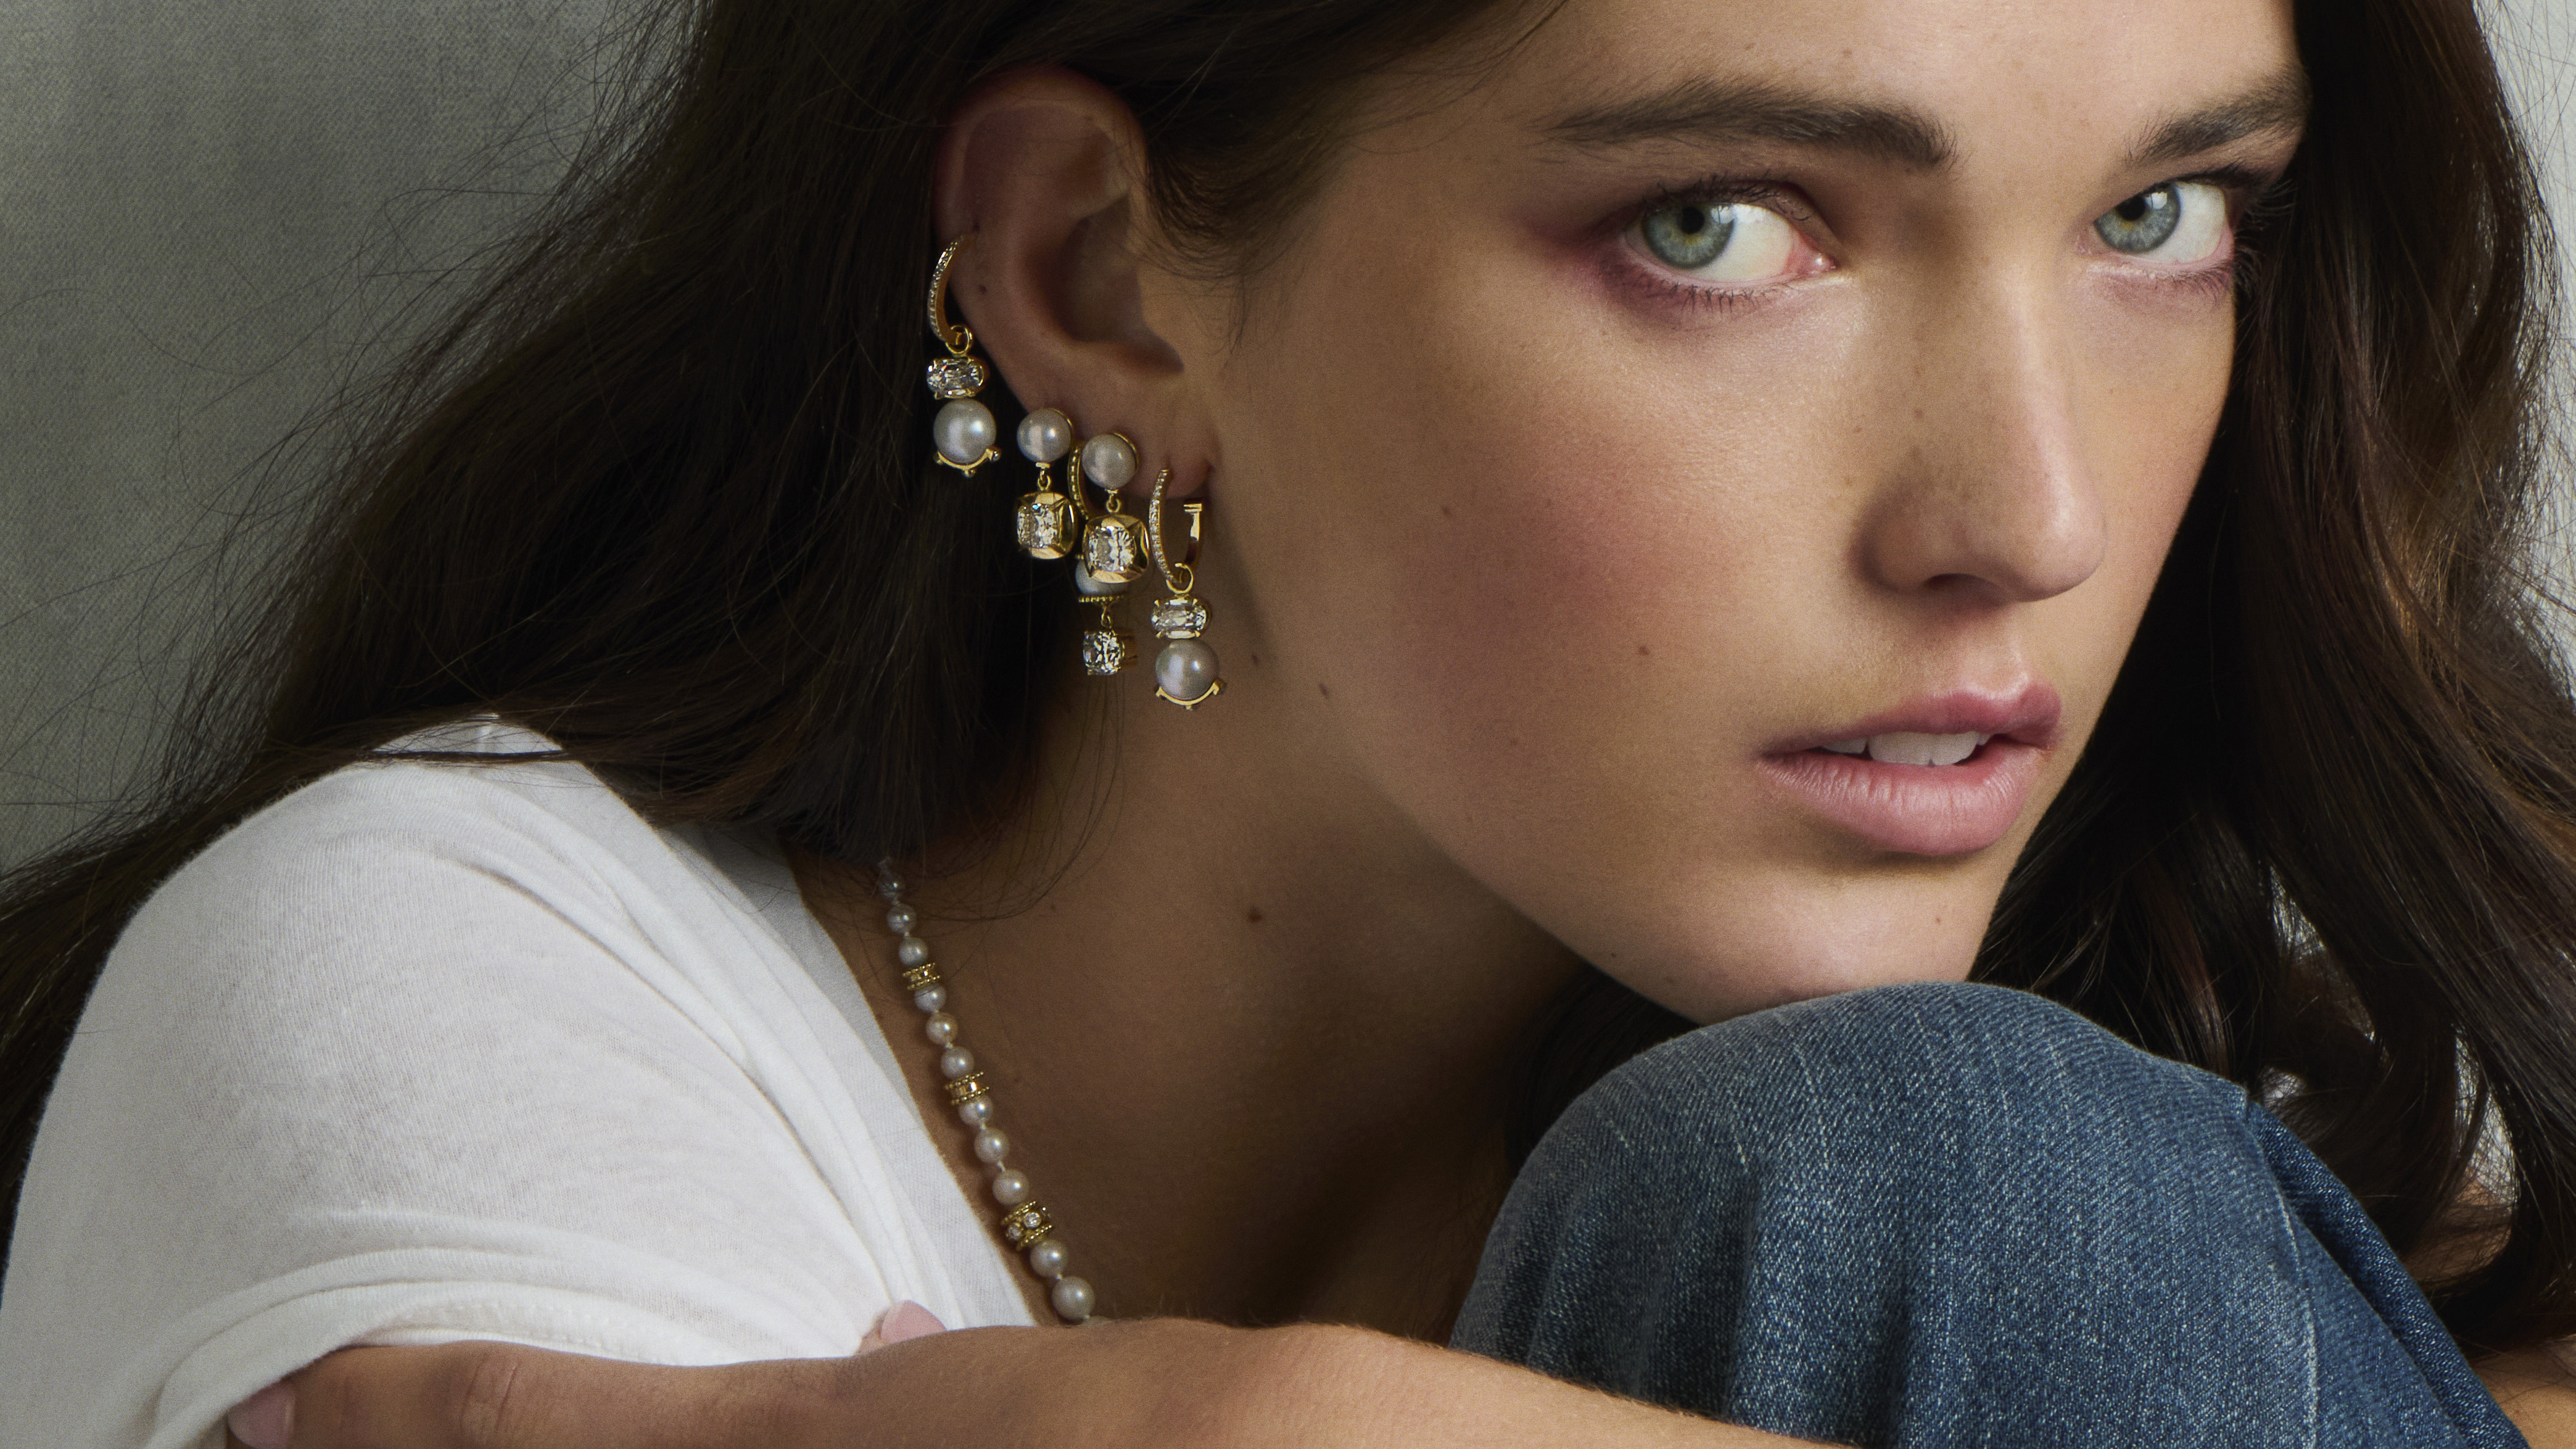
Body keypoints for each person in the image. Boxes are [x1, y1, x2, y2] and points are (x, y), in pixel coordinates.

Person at [4, 0, 2575, 1442]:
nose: (2023, 515)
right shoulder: (445, 985)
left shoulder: (2127, 1035)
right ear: (1102, 278)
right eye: (1722, 228)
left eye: (2160, 217)